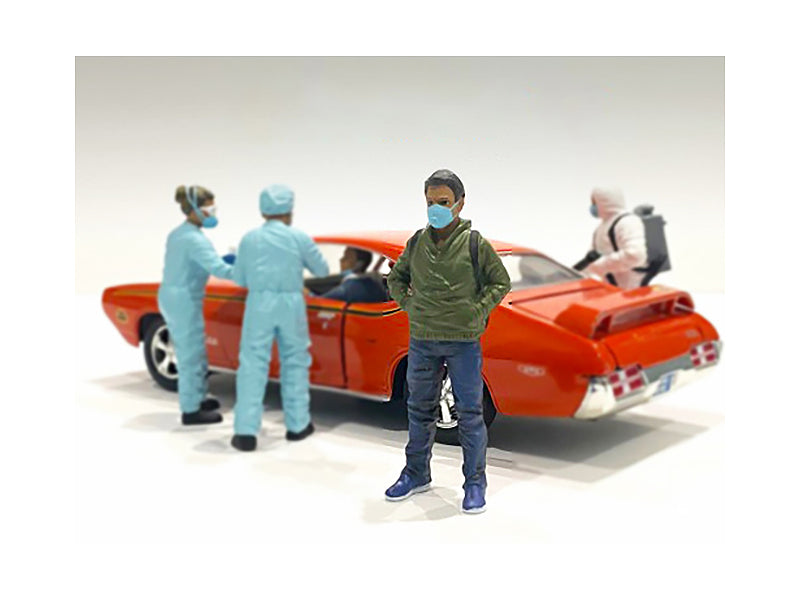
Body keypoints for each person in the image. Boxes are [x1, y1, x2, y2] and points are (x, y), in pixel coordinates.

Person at [384, 169, 511, 514]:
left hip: (462, 341)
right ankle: (416, 473)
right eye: (430, 202)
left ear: (460, 203)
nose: (435, 209)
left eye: (443, 202)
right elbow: (396, 279)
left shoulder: (474, 244)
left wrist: (476, 311)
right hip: (423, 340)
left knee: (469, 414)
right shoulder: (418, 243)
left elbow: (500, 283)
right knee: (418, 410)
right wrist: (411, 305)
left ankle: (475, 483)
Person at [230, 184, 329, 452]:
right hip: (290, 303)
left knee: (252, 365)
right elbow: (322, 269)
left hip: (259, 304)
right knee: (295, 362)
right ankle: (297, 426)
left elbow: (239, 278)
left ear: (264, 210)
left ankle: (245, 433)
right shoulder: (299, 237)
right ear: (289, 210)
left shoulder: (250, 239)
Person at [158, 185, 235, 425]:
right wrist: (246, 268)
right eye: (208, 209)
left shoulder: (179, 233)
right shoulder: (194, 240)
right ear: (193, 210)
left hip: (173, 295)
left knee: (195, 350)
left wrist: (225, 260)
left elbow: (198, 262)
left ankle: (198, 397)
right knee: (190, 355)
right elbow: (220, 270)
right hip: (184, 299)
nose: (213, 213)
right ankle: (191, 410)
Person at [580, 188, 648, 288]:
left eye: (595, 203)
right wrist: (578, 272)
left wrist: (602, 265)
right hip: (613, 284)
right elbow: (592, 257)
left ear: (605, 202)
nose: (593, 206)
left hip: (631, 285)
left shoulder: (628, 222)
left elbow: (635, 255)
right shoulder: (601, 227)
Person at [318, 246, 388, 303]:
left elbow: (319, 302)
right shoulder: (375, 286)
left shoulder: (349, 289)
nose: (341, 260)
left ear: (359, 264)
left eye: (346, 257)